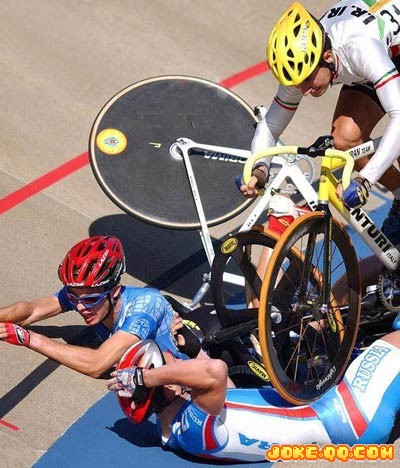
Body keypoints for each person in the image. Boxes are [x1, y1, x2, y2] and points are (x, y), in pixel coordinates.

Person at [241, 0, 400, 327]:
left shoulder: (359, 48)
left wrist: (367, 178)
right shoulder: (305, 60)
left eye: (306, 81)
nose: (302, 91)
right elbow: (270, 126)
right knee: (345, 141)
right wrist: (258, 168)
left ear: (327, 57)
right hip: (377, 53)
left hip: (377, 50)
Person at [107, 331, 400, 463]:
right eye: (170, 362)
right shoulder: (192, 428)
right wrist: (144, 377)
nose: (176, 358)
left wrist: (195, 350)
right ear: (167, 386)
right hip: (346, 415)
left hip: (341, 420)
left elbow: (231, 397)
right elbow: (215, 372)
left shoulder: (186, 427)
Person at [0, 235, 188, 378]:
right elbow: (30, 311)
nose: (80, 307)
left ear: (114, 291)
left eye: (90, 300)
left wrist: (29, 338)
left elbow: (97, 364)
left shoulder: (146, 306)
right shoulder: (86, 294)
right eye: (73, 297)